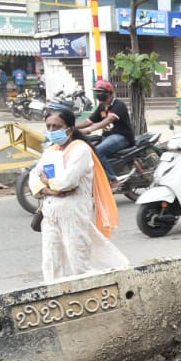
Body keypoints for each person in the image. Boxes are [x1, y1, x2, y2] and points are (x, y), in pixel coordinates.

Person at [36, 103, 127, 283]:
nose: (52, 130)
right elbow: (34, 176)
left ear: (69, 130)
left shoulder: (81, 150)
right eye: (49, 127)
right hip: (50, 213)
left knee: (78, 261)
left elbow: (67, 182)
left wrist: (49, 183)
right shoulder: (50, 151)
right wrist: (46, 188)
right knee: (51, 262)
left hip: (73, 212)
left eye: (56, 126)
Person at [77, 80, 134, 186]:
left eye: (100, 91)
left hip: (122, 137)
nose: (98, 94)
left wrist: (90, 129)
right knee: (88, 148)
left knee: (98, 151)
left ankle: (113, 179)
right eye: (96, 91)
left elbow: (108, 120)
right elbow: (89, 121)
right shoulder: (102, 106)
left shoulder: (119, 105)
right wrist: (71, 127)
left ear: (109, 93)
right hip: (107, 137)